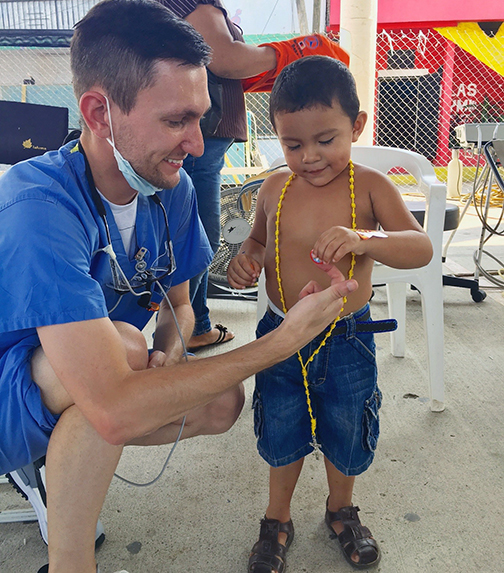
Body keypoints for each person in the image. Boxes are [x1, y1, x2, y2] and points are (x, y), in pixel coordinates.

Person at [0, 3, 358, 572]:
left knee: (219, 400)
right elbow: (115, 409)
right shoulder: (38, 205)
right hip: (9, 393)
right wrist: (281, 342)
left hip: (86, 375)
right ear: (98, 111)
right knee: (117, 359)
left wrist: (171, 346)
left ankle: (68, 462)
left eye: (201, 117)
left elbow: (183, 307)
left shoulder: (170, 187)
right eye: (176, 121)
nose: (197, 143)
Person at [227, 56, 433, 572]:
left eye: (326, 139)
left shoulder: (368, 187)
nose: (310, 157)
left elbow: (420, 246)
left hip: (347, 335)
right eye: (293, 145)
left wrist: (366, 237)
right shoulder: (274, 188)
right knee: (281, 424)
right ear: (276, 135)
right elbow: (256, 237)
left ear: (357, 126)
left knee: (345, 423)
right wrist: (247, 258)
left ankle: (340, 509)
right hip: (281, 333)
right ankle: (277, 518)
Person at [158, 0, 278, 352]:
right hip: (205, 138)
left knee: (193, 238)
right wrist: (287, 53)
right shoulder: (191, 3)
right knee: (197, 239)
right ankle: (183, 337)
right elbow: (225, 58)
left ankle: (193, 326)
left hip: (207, 136)